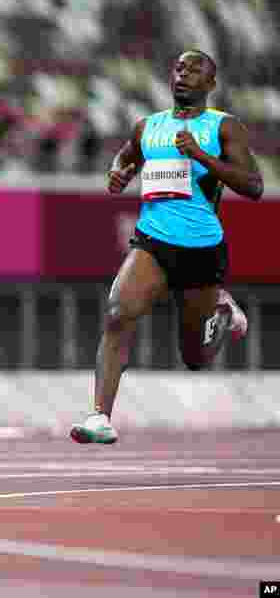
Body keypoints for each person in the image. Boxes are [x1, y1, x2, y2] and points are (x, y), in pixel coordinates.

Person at [71, 50, 262, 445]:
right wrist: (118, 173)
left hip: (202, 249)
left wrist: (201, 156)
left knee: (195, 358)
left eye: (195, 70)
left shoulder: (224, 128)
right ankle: (100, 416)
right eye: (178, 68)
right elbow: (126, 156)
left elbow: (253, 186)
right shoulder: (148, 128)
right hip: (152, 240)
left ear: (211, 84)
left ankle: (222, 312)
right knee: (118, 311)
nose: (183, 74)